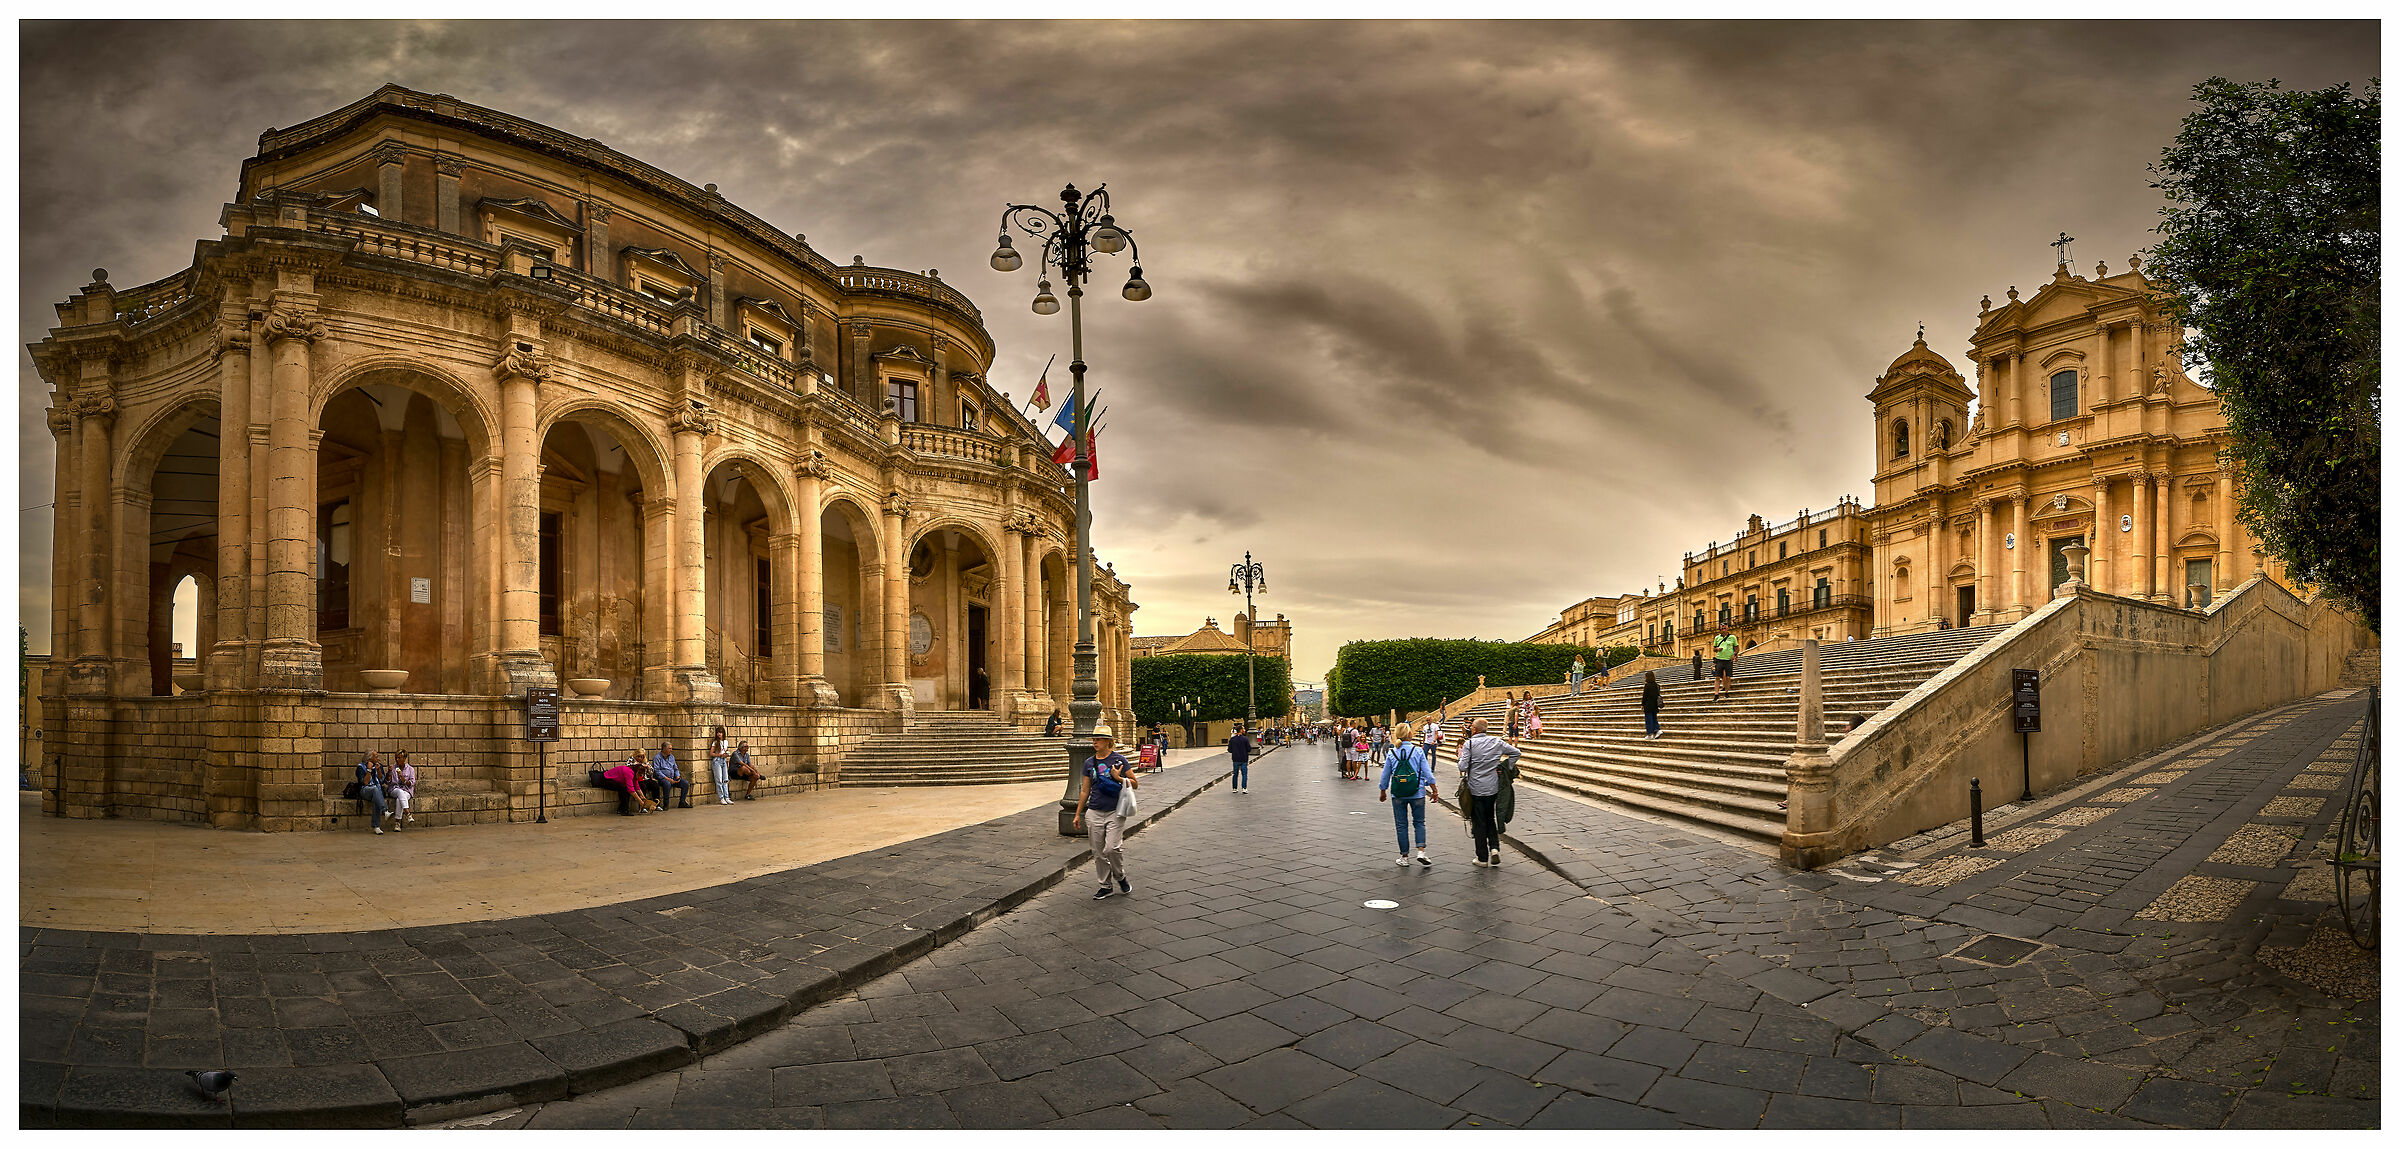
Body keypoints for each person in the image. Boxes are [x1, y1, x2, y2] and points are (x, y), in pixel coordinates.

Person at [1070, 725, 1138, 900]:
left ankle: (1120, 876)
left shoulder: (1119, 760)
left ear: (1108, 741)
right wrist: (1078, 814)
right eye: (1094, 739)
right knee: (1098, 852)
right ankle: (1105, 886)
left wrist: (1118, 778)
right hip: (1094, 811)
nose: (1095, 742)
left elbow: (1135, 783)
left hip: (1115, 811)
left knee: (1112, 848)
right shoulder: (1089, 763)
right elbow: (1085, 790)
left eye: (1098, 739)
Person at [1456, 717, 1522, 867]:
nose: (1470, 729)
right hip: (1492, 787)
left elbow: (1463, 767)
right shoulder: (1496, 741)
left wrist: (1460, 761)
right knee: (1490, 818)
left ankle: (1482, 857)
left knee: (1479, 821)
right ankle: (1494, 848)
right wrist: (1505, 767)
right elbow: (1516, 753)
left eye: (1471, 727)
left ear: (1475, 730)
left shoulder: (1470, 744)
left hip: (1476, 788)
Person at [1378, 721, 1438, 867]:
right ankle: (1421, 851)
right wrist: (1434, 790)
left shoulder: (1392, 752)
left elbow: (1385, 775)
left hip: (1398, 793)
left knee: (1401, 825)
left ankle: (1404, 857)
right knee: (1419, 822)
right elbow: (1427, 773)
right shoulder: (1417, 751)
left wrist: (1383, 790)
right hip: (1417, 792)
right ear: (1410, 734)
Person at [354, 750, 390, 835]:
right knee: (374, 789)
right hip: (365, 790)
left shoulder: (379, 766)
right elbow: (365, 783)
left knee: (376, 795)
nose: (378, 758)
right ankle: (385, 810)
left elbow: (382, 781)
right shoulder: (360, 767)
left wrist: (379, 771)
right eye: (376, 756)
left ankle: (376, 827)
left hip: (376, 791)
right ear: (370, 758)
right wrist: (369, 770)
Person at [649, 742, 692, 808]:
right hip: (662, 779)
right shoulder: (657, 758)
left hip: (672, 778)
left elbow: (675, 768)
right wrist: (667, 779)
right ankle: (666, 804)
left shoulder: (672, 757)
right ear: (664, 749)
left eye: (671, 748)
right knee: (667, 784)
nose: (671, 750)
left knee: (685, 783)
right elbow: (657, 771)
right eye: (669, 748)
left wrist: (677, 776)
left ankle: (682, 802)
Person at [386, 750, 416, 830]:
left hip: (407, 791)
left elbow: (412, 783)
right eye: (396, 758)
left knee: (399, 799)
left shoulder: (410, 769)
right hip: (394, 789)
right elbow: (388, 782)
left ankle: (397, 824)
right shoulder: (393, 768)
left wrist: (404, 779)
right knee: (399, 792)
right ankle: (408, 813)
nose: (397, 760)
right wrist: (389, 772)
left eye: (399, 758)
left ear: (404, 758)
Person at [1711, 626, 1739, 701]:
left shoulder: (1733, 637)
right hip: (1719, 659)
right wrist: (1717, 649)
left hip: (1728, 660)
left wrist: (1735, 654)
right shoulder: (1717, 638)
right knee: (1717, 677)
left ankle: (1726, 692)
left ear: (1727, 629)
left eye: (1725, 628)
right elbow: (1714, 648)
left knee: (1728, 677)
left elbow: (1736, 648)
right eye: (1722, 628)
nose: (1723, 630)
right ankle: (1716, 694)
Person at [707, 725, 733, 804]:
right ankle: (721, 797)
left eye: (721, 732)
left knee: (725, 779)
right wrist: (720, 755)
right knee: (719, 780)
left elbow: (726, 751)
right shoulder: (715, 742)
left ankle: (727, 797)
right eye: (718, 732)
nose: (719, 734)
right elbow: (711, 753)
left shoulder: (725, 742)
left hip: (724, 761)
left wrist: (727, 758)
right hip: (717, 761)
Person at [1227, 724, 1253, 794]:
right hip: (1244, 758)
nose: (1244, 730)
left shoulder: (1232, 739)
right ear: (1241, 730)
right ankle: (1244, 788)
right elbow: (1249, 749)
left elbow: (1229, 750)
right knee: (1244, 774)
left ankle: (1234, 788)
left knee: (1235, 774)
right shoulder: (1245, 739)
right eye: (1243, 729)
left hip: (1235, 759)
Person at [1642, 671, 1664, 740]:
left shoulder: (1647, 685)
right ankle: (1657, 730)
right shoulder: (1657, 685)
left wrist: (1642, 704)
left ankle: (1650, 734)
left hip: (1648, 705)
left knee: (1648, 719)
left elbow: (1644, 696)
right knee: (1654, 718)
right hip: (1655, 705)